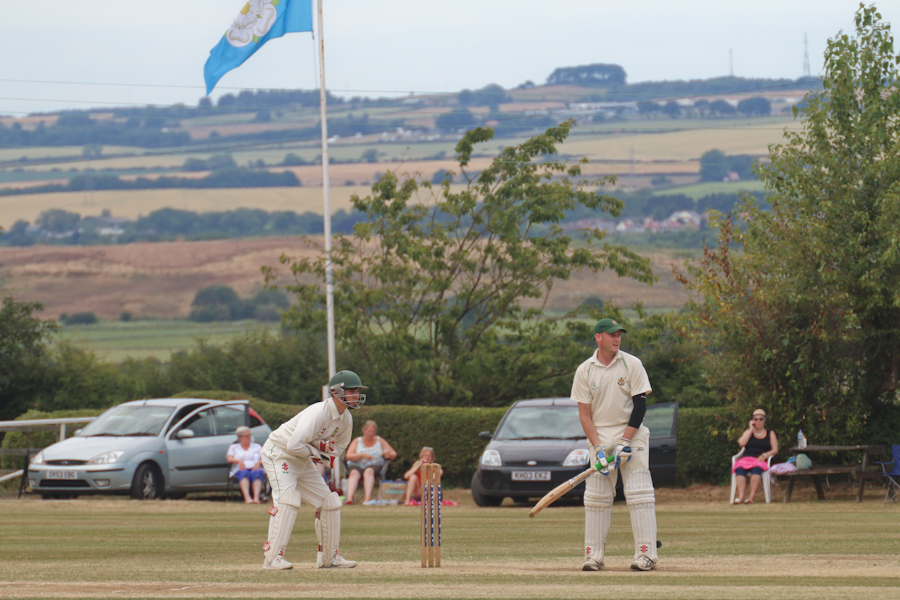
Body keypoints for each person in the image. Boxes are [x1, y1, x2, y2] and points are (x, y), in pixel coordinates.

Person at [572, 318, 657, 572]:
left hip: (631, 433)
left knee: (639, 493)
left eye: (619, 334)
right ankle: (593, 555)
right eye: (611, 334)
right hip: (599, 435)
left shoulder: (632, 363)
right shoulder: (584, 370)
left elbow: (640, 407)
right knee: (596, 497)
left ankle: (646, 554)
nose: (616, 338)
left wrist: (626, 441)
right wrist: (597, 447)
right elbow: (585, 415)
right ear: (598, 337)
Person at [260, 370, 366, 570]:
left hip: (303, 458)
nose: (356, 395)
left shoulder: (346, 420)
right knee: (288, 500)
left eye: (358, 391)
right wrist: (317, 450)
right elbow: (292, 445)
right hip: (279, 453)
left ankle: (328, 558)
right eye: (352, 390)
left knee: (330, 502)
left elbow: (336, 451)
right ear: (337, 392)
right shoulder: (318, 412)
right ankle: (272, 558)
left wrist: (320, 452)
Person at [344, 420, 398, 505]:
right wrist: (362, 455)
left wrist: (388, 454)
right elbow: (348, 456)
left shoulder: (380, 441)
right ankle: (349, 498)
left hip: (374, 464)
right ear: (364, 431)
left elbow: (393, 454)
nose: (370, 434)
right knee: (354, 473)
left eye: (373, 432)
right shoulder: (357, 441)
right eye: (369, 431)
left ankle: (367, 499)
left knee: (368, 471)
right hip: (357, 464)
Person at [732, 408, 778, 504]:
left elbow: (775, 450)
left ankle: (751, 498)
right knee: (739, 469)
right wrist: (751, 429)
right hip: (746, 458)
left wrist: (765, 455)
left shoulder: (770, 433)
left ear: (764, 420)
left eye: (760, 419)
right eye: (755, 419)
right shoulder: (748, 432)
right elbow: (741, 443)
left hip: (759, 459)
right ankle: (741, 497)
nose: (758, 422)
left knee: (756, 470)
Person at [226, 426, 265, 504]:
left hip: (255, 469)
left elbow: (266, 458)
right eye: (247, 436)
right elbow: (229, 459)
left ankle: (256, 498)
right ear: (240, 437)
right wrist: (238, 461)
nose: (249, 437)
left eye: (250, 435)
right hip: (240, 470)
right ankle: (247, 498)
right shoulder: (234, 447)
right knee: (244, 473)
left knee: (256, 473)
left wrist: (259, 462)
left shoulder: (257, 446)